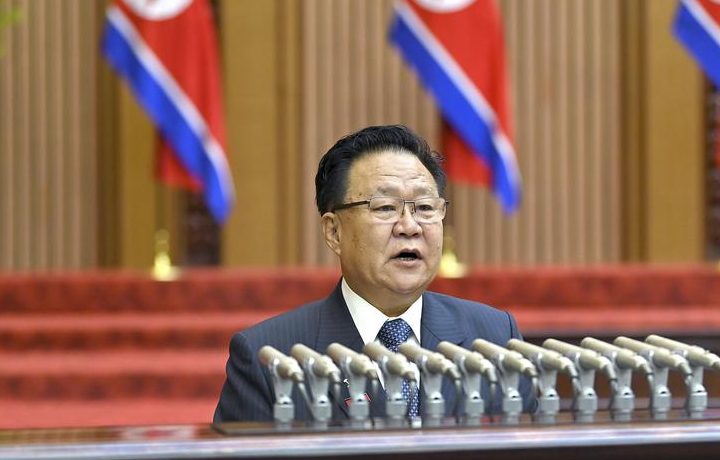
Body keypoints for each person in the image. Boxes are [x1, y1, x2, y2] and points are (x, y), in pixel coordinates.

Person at [213, 125, 532, 422]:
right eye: (384, 208)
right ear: (334, 232)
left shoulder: (494, 338)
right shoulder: (269, 357)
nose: (409, 226)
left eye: (424, 208)